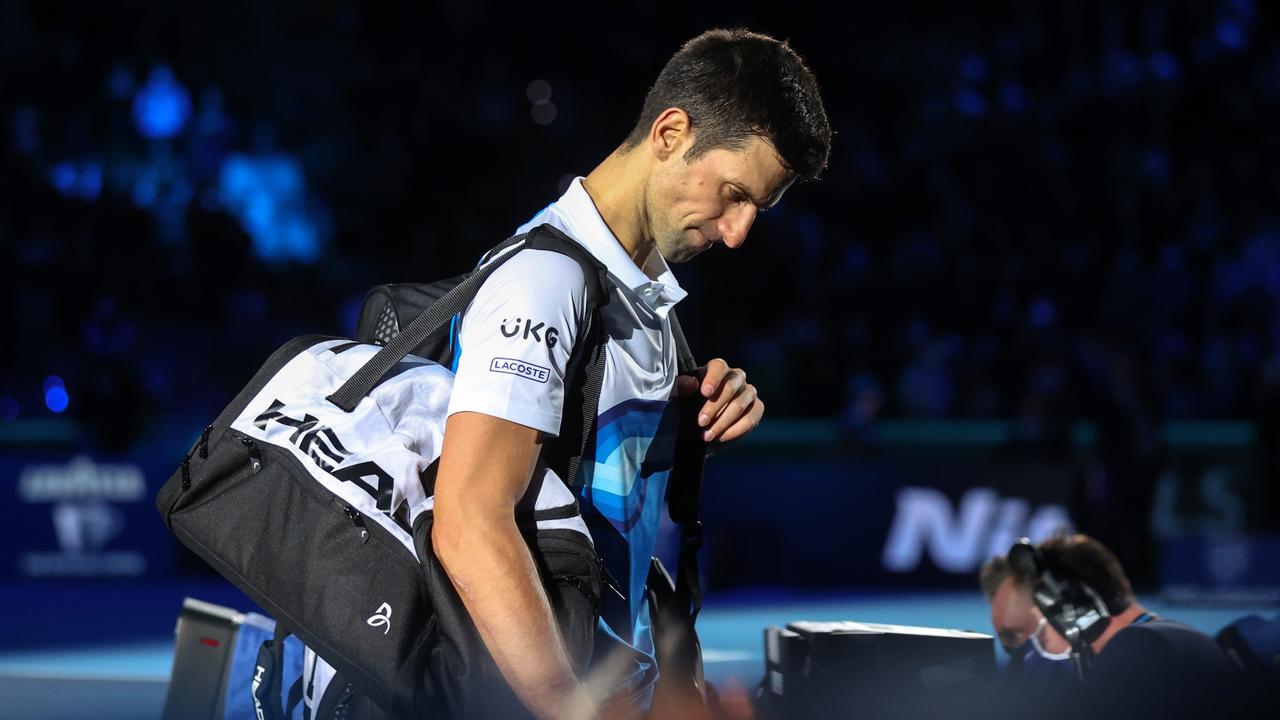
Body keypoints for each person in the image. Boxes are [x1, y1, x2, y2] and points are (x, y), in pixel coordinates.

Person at [430, 28, 831, 719]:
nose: (737, 232)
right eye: (734, 194)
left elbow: (585, 474)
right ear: (671, 132)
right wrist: (576, 708)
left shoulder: (642, 293)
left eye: (756, 210)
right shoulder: (544, 282)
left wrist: (691, 410)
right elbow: (469, 522)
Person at [981, 534, 1256, 719]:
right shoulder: (1171, 640)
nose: (1040, 648)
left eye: (1043, 631)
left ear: (1076, 610)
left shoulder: (1137, 651)